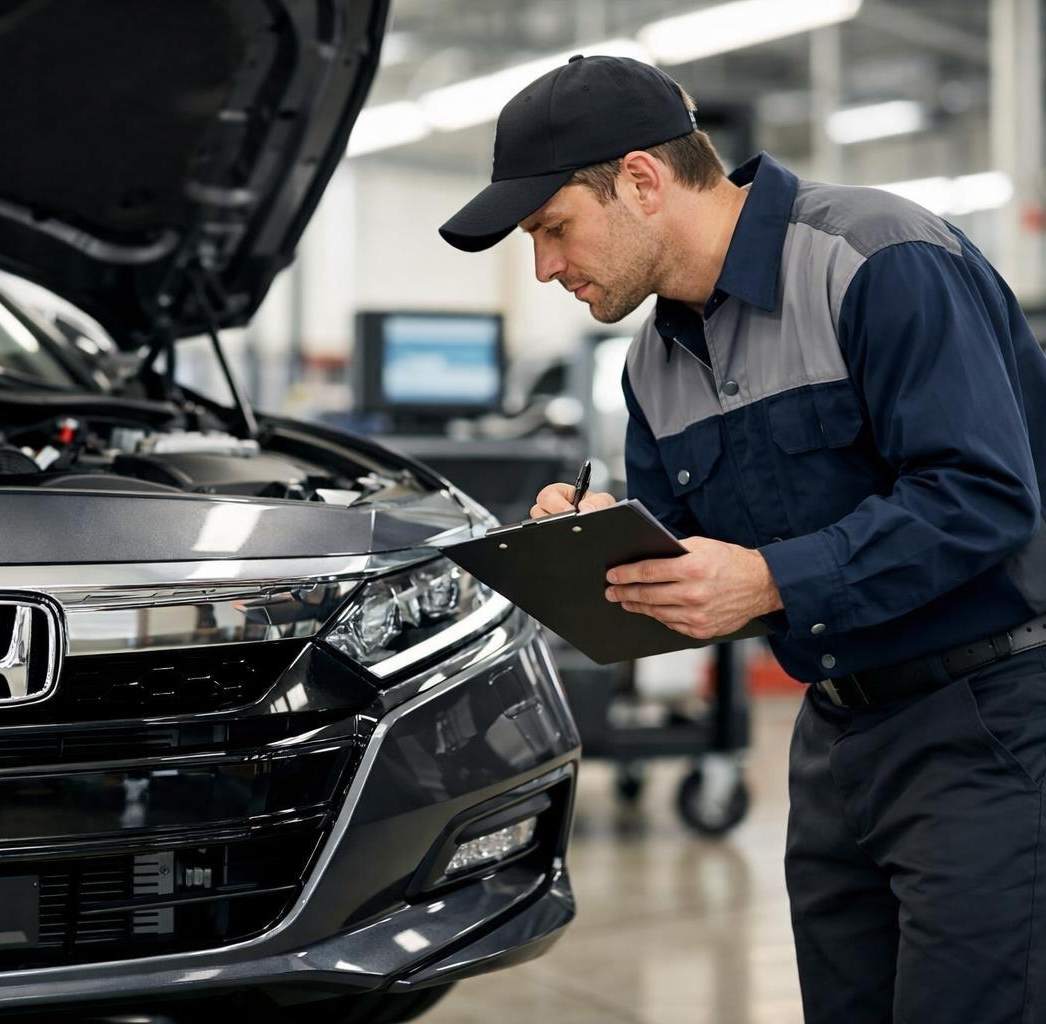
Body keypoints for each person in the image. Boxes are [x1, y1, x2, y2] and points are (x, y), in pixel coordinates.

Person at [439, 54, 1046, 1023]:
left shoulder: (878, 258)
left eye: (553, 228)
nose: (545, 266)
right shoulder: (652, 366)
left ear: (641, 180)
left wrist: (767, 577)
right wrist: (603, 552)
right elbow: (690, 577)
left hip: (988, 722)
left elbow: (983, 495)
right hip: (835, 740)